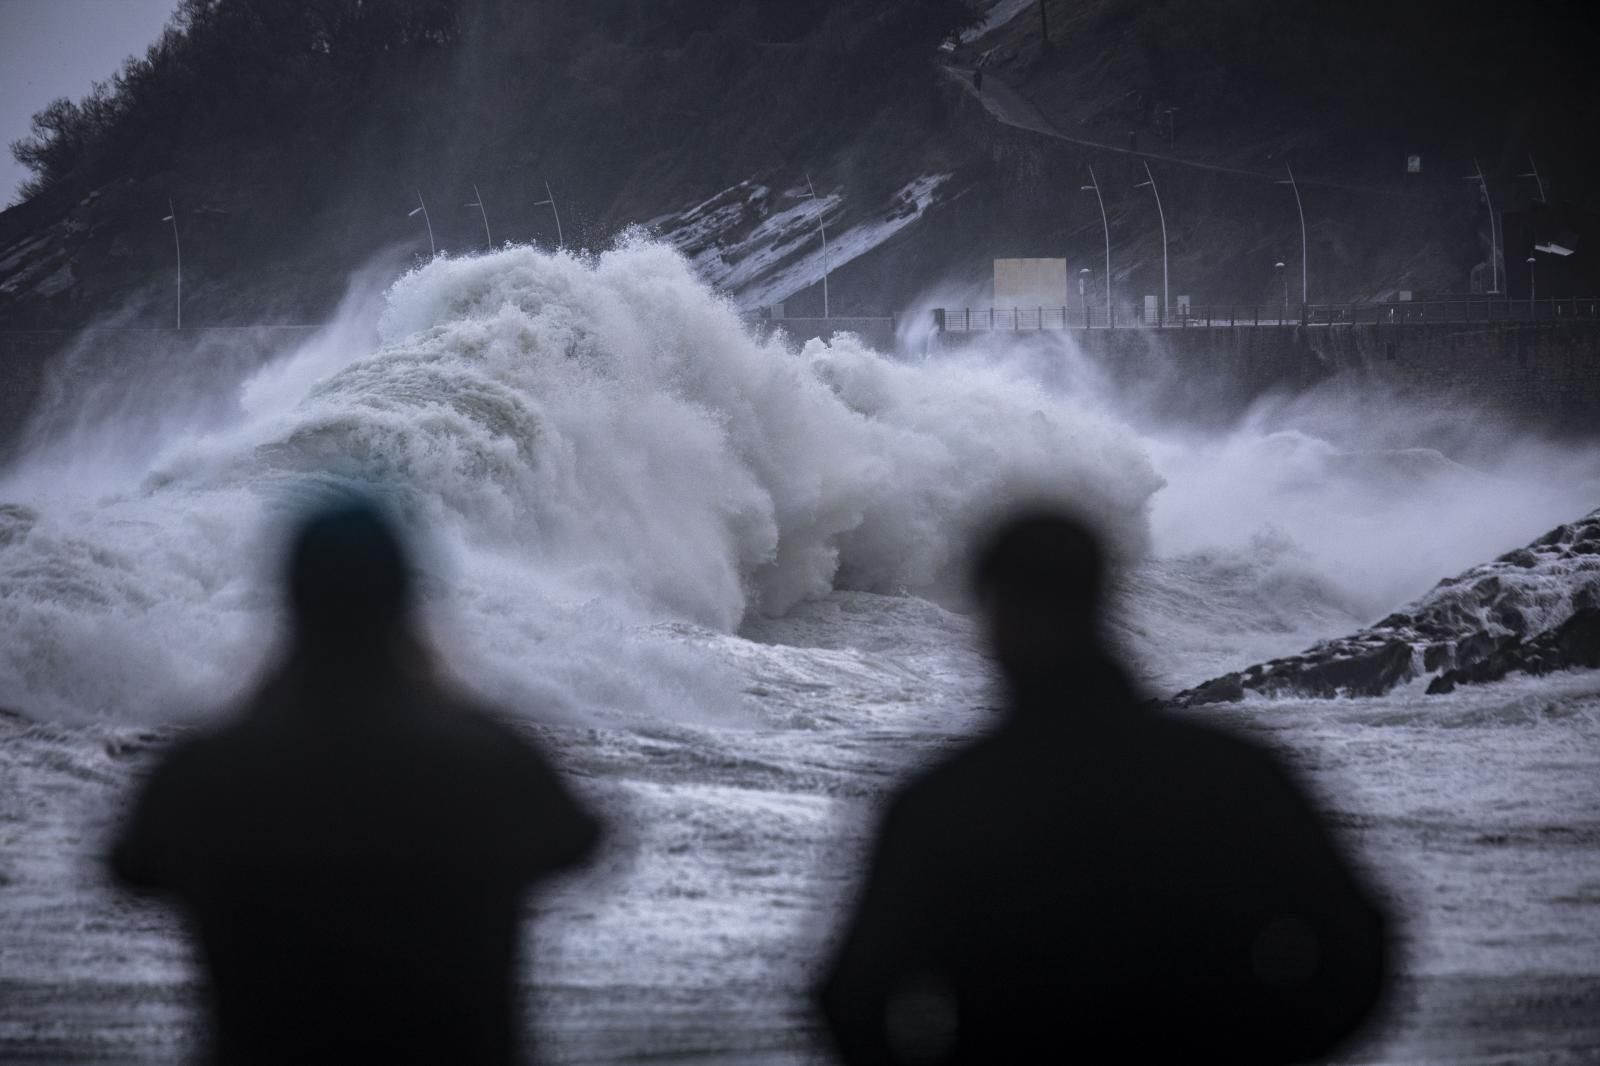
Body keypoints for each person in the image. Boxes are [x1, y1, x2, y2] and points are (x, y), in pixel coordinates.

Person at [816, 508, 1390, 1064]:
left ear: (995, 617)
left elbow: (853, 997)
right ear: (1102, 598)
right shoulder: (1235, 773)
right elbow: (1357, 945)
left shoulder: (945, 802)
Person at [108, 496, 603, 1066]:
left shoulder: (207, 770)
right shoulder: (492, 760)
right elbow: (579, 843)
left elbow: (131, 866)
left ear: (290, 602)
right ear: (405, 603)